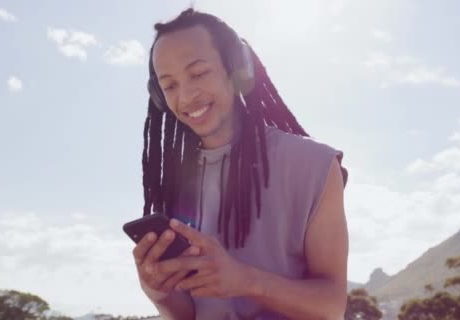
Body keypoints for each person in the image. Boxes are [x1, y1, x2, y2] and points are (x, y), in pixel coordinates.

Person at [132, 8, 349, 320]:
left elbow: (331, 305)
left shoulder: (314, 164)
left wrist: (246, 281)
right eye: (170, 86)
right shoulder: (173, 187)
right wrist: (160, 293)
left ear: (237, 70)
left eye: (198, 73)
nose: (186, 95)